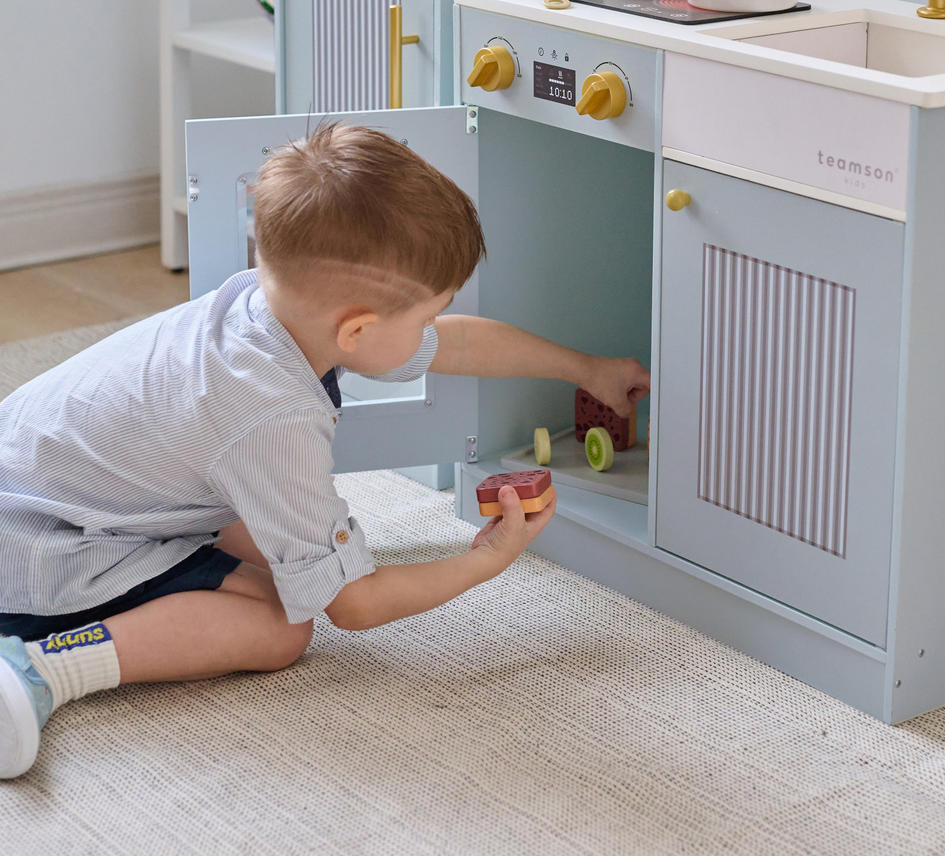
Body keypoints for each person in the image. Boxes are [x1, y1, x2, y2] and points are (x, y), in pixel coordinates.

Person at [0, 122, 650, 779]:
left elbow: (458, 344)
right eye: (422, 318)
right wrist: (483, 562)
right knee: (283, 627)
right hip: (36, 551)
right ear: (359, 330)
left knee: (279, 549)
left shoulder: (265, 308)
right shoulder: (271, 414)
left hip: (40, 489)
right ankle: (42, 667)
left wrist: (585, 368)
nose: (431, 332)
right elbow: (354, 605)